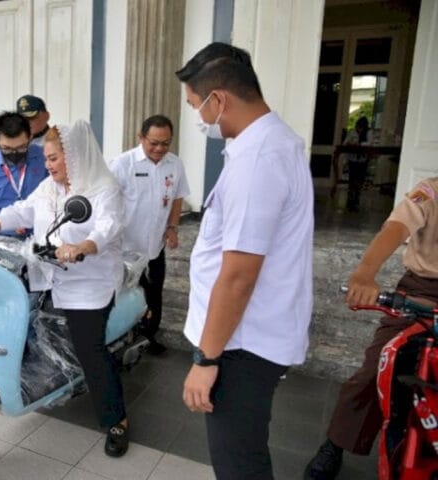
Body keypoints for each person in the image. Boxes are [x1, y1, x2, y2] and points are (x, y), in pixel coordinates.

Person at [176, 42, 314, 479]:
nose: (199, 119)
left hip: (242, 345)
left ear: (219, 100)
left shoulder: (258, 159)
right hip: (251, 335)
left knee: (239, 461)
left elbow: (237, 276)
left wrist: (206, 360)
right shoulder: (274, 141)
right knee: (243, 451)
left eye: (196, 106)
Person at [0, 120, 131, 458]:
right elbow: (24, 209)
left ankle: (116, 420)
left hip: (89, 283)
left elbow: (108, 226)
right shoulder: (49, 187)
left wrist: (84, 246)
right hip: (50, 272)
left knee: (90, 351)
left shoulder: (103, 188)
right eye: (47, 158)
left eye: (55, 158)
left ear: (75, 157)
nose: (49, 165)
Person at [304, 176, 438, 480]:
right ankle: (336, 444)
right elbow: (396, 228)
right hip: (423, 293)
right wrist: (365, 273)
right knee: (378, 366)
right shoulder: (431, 190)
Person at [110, 114, 190, 355]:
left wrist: (173, 228)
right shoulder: (123, 164)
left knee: (155, 293)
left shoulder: (174, 164)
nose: (159, 149)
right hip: (125, 248)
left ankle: (148, 336)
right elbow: (109, 203)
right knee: (125, 294)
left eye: (165, 143)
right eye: (153, 143)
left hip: (155, 245)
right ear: (141, 138)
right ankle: (121, 337)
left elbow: (177, 198)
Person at [0, 111, 48, 235]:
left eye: (21, 147)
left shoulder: (44, 158)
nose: (14, 153)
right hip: (0, 236)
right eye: (6, 148)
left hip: (38, 235)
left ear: (30, 138)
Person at [332, 116, 371, 212]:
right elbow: (345, 143)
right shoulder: (352, 132)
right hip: (352, 159)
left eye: (361, 127)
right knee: (352, 179)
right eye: (358, 127)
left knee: (360, 180)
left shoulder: (369, 133)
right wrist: (350, 143)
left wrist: (360, 144)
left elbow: (369, 143)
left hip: (362, 160)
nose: (359, 129)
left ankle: (357, 199)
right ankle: (350, 200)